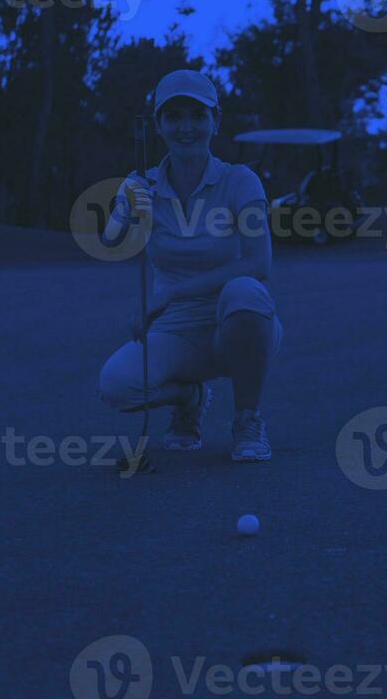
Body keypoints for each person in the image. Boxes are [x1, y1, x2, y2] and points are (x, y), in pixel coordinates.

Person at [97, 70, 281, 461]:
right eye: (174, 116)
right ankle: (189, 397)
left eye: (197, 116)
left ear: (216, 121)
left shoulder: (240, 181)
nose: (186, 127)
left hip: (236, 322)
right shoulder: (143, 184)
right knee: (115, 386)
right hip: (173, 330)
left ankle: (247, 419)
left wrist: (172, 293)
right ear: (158, 126)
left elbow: (259, 262)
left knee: (245, 289)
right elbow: (111, 240)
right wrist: (124, 205)